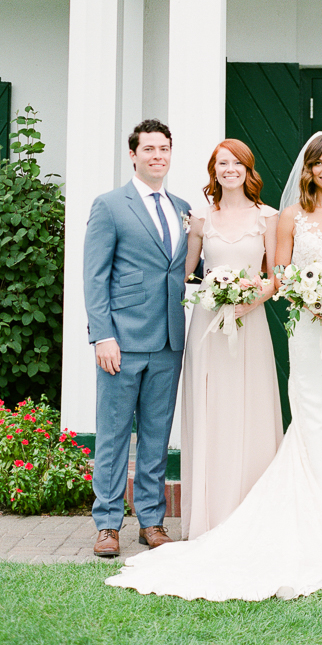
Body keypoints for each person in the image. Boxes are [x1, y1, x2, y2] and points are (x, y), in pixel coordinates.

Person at [106, 131, 322, 600]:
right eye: (319, 163)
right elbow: (273, 273)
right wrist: (272, 296)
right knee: (306, 417)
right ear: (308, 169)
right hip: (295, 329)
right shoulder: (287, 217)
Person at [83, 119, 191, 559]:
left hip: (168, 339)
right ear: (133, 154)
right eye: (149, 149)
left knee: (156, 433)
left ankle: (151, 519)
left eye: (163, 149)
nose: (157, 156)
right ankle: (107, 523)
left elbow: (181, 270)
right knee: (112, 434)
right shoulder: (110, 205)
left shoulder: (181, 205)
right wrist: (102, 335)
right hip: (122, 341)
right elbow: (95, 276)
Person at [180, 139, 283, 540]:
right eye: (223, 163)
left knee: (249, 408)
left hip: (249, 323)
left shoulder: (267, 217)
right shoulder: (201, 219)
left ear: (247, 169)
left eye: (237, 163)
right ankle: (209, 513)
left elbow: (276, 276)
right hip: (208, 324)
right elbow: (188, 272)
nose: (230, 170)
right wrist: (212, 292)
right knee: (212, 408)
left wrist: (250, 300)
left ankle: (250, 511)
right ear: (214, 170)